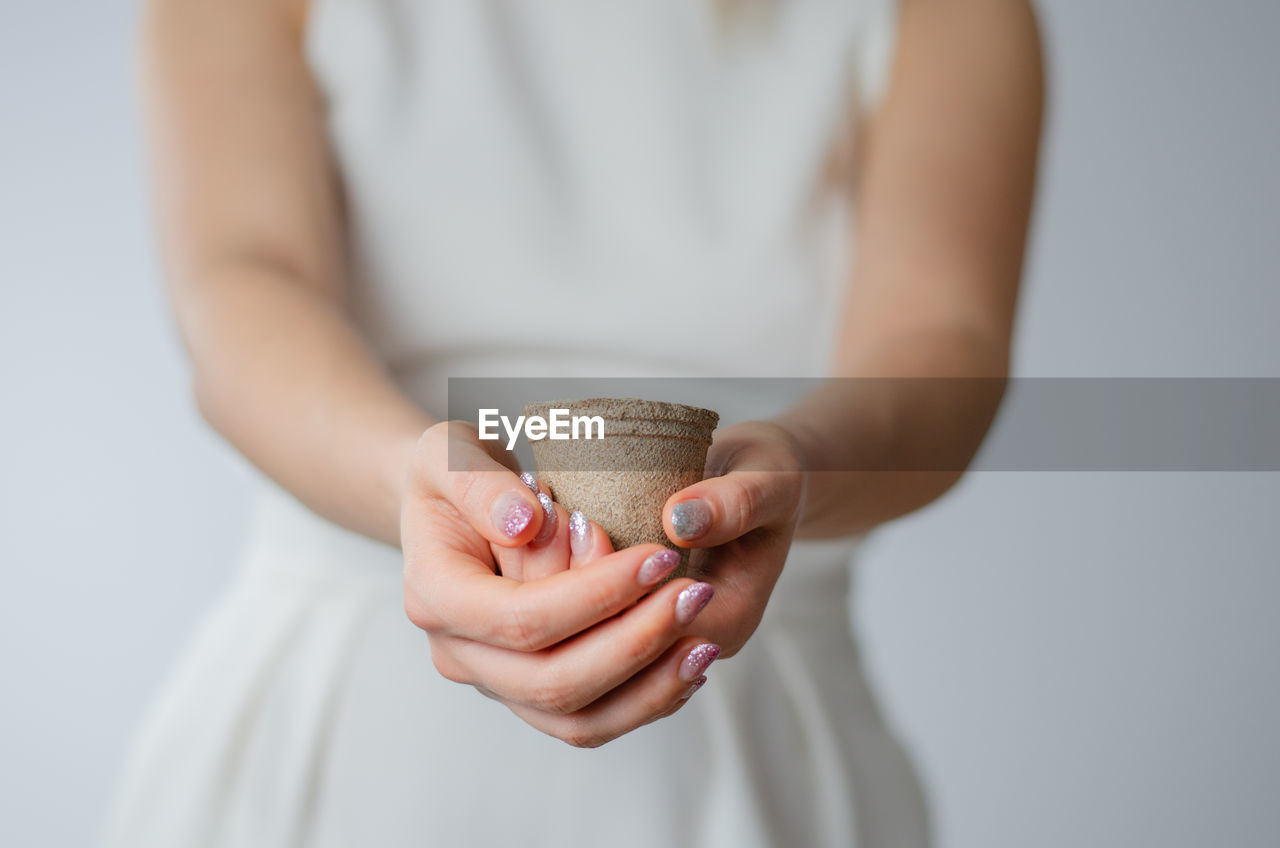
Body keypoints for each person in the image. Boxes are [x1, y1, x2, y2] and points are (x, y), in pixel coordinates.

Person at [103, 0, 1042, 845]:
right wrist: (414, 484)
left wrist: (796, 467)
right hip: (329, 739)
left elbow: (943, 344)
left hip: (758, 738)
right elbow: (241, 293)